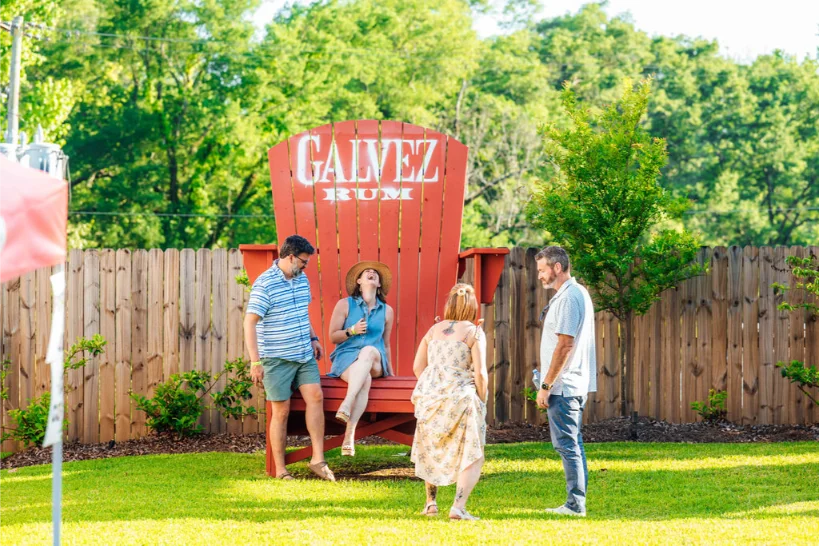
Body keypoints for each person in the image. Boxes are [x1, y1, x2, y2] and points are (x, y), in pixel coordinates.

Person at [244, 234, 335, 481]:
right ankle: (281, 470)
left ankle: (318, 460)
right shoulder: (265, 284)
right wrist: (255, 362)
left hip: (303, 354)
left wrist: (313, 338)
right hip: (276, 358)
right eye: (304, 261)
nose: (306, 266)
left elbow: (301, 313)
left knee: (316, 396)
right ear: (291, 257)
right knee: (281, 411)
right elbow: (249, 323)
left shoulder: (301, 279)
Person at [411, 283, 488, 521]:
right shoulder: (474, 332)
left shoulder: (433, 330)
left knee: (431, 448)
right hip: (462, 398)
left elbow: (417, 367)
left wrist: (433, 385)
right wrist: (482, 399)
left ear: (449, 305)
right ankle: (458, 507)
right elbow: (481, 374)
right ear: (472, 307)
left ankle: (431, 504)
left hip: (430, 399)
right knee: (472, 452)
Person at [534, 246, 597, 517]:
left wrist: (546, 385)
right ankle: (576, 502)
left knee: (567, 445)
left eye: (542, 270)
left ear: (557, 268)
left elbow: (565, 345)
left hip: (564, 386)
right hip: (569, 384)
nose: (539, 276)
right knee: (573, 443)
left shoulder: (570, 297)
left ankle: (575, 505)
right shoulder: (572, 293)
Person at [326, 261, 394, 456]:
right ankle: (349, 436)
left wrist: (391, 372)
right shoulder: (344, 304)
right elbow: (333, 337)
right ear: (358, 281)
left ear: (378, 284)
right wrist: (352, 330)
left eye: (375, 273)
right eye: (367, 272)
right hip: (347, 358)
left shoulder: (387, 311)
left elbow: (386, 344)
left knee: (369, 351)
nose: (371, 272)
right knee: (365, 379)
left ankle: (347, 402)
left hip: (375, 360)